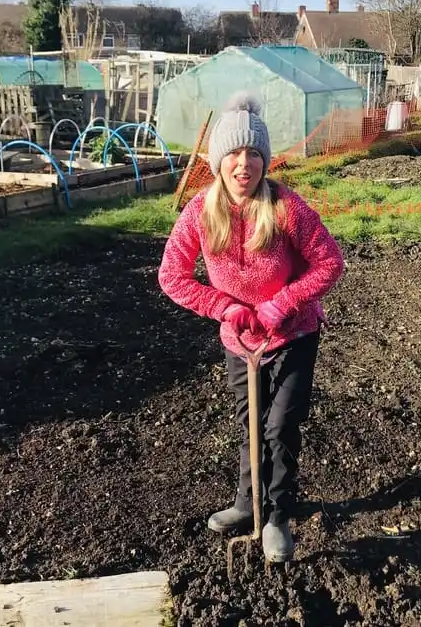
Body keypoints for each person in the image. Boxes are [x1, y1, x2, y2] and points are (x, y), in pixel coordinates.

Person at [157, 92, 345, 562]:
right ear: (219, 161)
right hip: (240, 340)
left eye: (255, 154)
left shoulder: (286, 207)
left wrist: (280, 304)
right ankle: (247, 502)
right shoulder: (200, 211)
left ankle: (278, 514)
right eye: (236, 154)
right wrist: (221, 306)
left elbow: (330, 263)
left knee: (281, 426)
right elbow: (171, 276)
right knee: (250, 423)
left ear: (265, 159)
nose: (245, 164)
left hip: (293, 333)